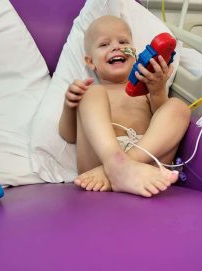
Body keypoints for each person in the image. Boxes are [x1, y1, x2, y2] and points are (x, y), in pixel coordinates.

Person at [59, 15, 191, 197]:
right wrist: (70, 105)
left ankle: (121, 165)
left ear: (135, 53)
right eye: (104, 44)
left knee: (178, 106)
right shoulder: (90, 91)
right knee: (91, 93)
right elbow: (69, 135)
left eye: (123, 41)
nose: (116, 47)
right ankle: (116, 162)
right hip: (99, 161)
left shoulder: (145, 91)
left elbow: (162, 118)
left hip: (146, 159)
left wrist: (158, 90)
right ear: (90, 62)